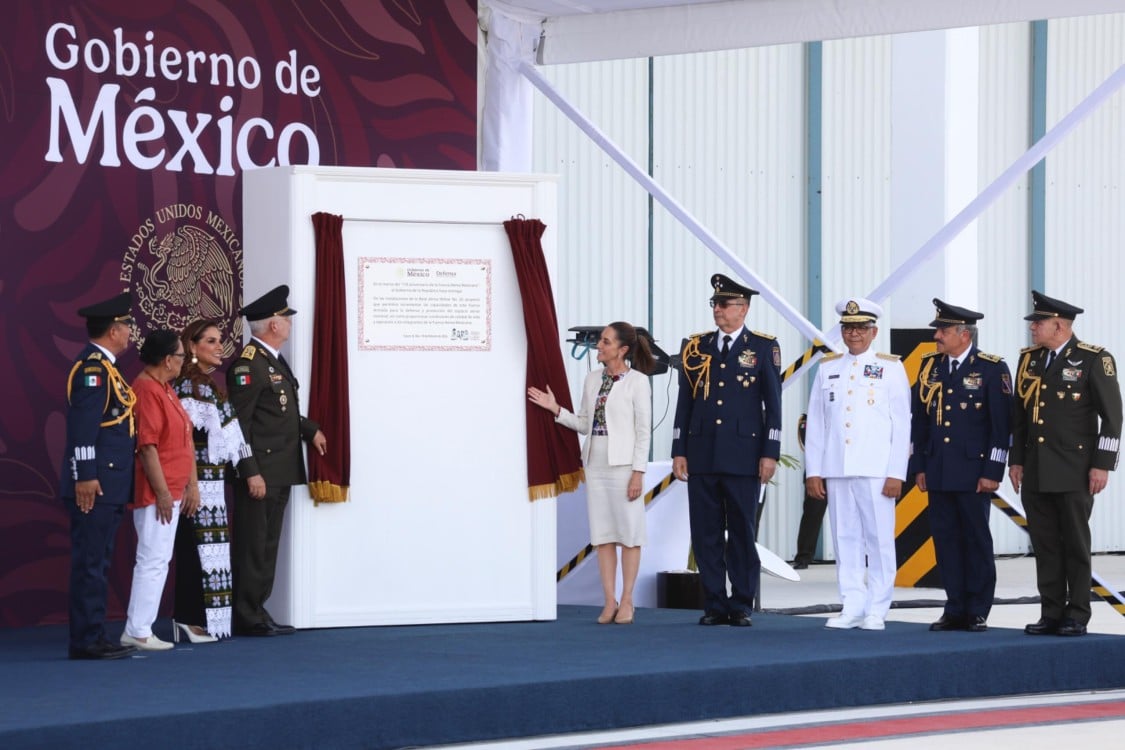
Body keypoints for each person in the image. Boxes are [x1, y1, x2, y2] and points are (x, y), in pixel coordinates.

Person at [1009, 290, 1122, 637]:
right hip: (1037, 467)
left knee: (1074, 543)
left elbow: (1113, 418)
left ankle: (1077, 614)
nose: (1032, 329)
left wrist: (1101, 464)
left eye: (1038, 323)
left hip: (1075, 468)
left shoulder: (1093, 359)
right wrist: (1016, 461)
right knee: (1044, 543)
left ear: (1059, 326)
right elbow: (1020, 416)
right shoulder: (1029, 360)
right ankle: (1051, 611)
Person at [672, 274, 782, 627]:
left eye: (725, 304)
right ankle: (714, 603)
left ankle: (741, 602)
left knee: (741, 533)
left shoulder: (763, 347)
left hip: (743, 455)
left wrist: (770, 452)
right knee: (705, 532)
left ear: (743, 308)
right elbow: (684, 403)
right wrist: (679, 448)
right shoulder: (696, 346)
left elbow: (773, 404)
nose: (718, 310)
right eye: (715, 304)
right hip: (702, 453)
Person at [528, 322, 655, 625]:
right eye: (600, 341)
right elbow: (585, 424)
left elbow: (643, 432)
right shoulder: (592, 379)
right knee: (603, 536)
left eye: (606, 342)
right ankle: (609, 600)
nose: (599, 345)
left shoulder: (638, 382)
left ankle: (627, 600)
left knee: (629, 535)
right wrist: (555, 409)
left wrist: (638, 472)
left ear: (622, 349)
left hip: (624, 467)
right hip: (595, 464)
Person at [227, 285, 327, 637]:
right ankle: (246, 613)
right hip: (261, 471)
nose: (289, 324)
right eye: (285, 319)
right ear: (272, 325)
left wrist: (309, 429)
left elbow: (279, 413)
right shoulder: (249, 365)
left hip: (280, 468)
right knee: (254, 543)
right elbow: (238, 424)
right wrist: (249, 471)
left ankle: (257, 608)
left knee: (268, 542)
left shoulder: (272, 361)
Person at [805, 298, 909, 631]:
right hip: (837, 466)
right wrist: (814, 470)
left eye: (861, 328)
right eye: (849, 328)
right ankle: (851, 604)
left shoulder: (891, 367)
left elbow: (901, 423)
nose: (854, 334)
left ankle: (877, 607)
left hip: (876, 469)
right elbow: (817, 424)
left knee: (878, 540)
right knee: (844, 538)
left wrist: (896, 472)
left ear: (874, 331)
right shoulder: (828, 367)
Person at [909, 299, 1012, 633]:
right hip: (938, 471)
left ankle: (977, 609)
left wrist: (993, 472)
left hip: (974, 472)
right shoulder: (930, 367)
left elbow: (1001, 427)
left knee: (976, 541)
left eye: (942, 330)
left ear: (963, 334)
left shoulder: (992, 368)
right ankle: (954, 607)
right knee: (946, 541)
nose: (937, 336)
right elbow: (920, 422)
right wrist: (920, 466)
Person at [172, 319, 266, 643]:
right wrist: (191, 483)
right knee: (193, 548)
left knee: (206, 549)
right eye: (210, 341)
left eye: (219, 340)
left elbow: (232, 435)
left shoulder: (210, 386)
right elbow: (183, 440)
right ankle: (189, 618)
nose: (219, 346)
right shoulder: (187, 386)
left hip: (212, 482)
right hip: (194, 481)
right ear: (193, 347)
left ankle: (198, 620)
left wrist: (247, 468)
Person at [61, 292, 139, 660]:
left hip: (111, 481)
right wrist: (86, 475)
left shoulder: (107, 368)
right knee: (91, 562)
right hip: (96, 482)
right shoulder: (93, 368)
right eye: (127, 326)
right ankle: (86, 639)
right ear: (113, 330)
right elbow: (83, 426)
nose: (130, 333)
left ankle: (95, 632)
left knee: (100, 560)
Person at [121, 329, 199, 651]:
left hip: (173, 489)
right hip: (158, 493)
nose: (185, 361)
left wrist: (191, 483)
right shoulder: (147, 390)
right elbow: (147, 447)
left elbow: (185, 437)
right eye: (182, 356)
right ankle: (138, 630)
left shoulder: (164, 388)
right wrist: (164, 493)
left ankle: (142, 627)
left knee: (159, 558)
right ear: (168, 360)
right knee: (152, 559)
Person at [792, 413, 825, 570]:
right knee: (812, 514)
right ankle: (804, 556)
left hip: (844, 471)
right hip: (820, 471)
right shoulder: (812, 417)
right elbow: (809, 442)